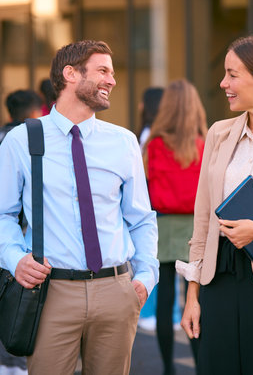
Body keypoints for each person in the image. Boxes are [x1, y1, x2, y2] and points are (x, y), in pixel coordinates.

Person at [0, 40, 159, 375]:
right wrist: (15, 259)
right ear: (70, 74)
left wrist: (146, 276)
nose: (112, 80)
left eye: (112, 73)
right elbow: (3, 213)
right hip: (51, 292)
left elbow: (141, 218)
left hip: (117, 290)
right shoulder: (21, 139)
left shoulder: (123, 141)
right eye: (103, 70)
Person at [178, 35, 253, 375]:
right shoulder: (218, 133)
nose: (223, 83)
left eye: (232, 74)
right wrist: (192, 296)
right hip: (219, 281)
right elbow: (202, 219)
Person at [143, 79, 208, 375]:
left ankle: (168, 367)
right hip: (198, 227)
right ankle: (200, 363)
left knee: (166, 298)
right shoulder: (204, 145)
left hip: (164, 226)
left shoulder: (154, 145)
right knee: (195, 299)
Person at [0, 90, 42, 375]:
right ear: (37, 111)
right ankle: (16, 364)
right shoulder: (29, 141)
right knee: (21, 301)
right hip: (22, 236)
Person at [137, 86, 164, 331]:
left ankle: (147, 312)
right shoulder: (192, 134)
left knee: (149, 261)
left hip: (155, 207)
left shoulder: (149, 135)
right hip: (179, 211)